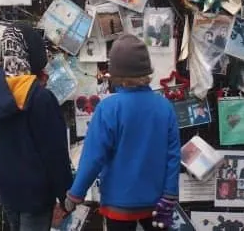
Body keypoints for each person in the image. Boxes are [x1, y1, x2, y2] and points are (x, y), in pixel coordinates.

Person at [64, 33, 180, 231]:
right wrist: (170, 193)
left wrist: (75, 194)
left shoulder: (108, 109)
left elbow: (93, 157)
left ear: (115, 74)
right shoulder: (164, 107)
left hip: (119, 203)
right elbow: (173, 155)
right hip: (156, 201)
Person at [0, 23, 72, 231]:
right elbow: (54, 152)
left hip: (8, 192)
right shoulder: (40, 98)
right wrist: (65, 194)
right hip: (36, 195)